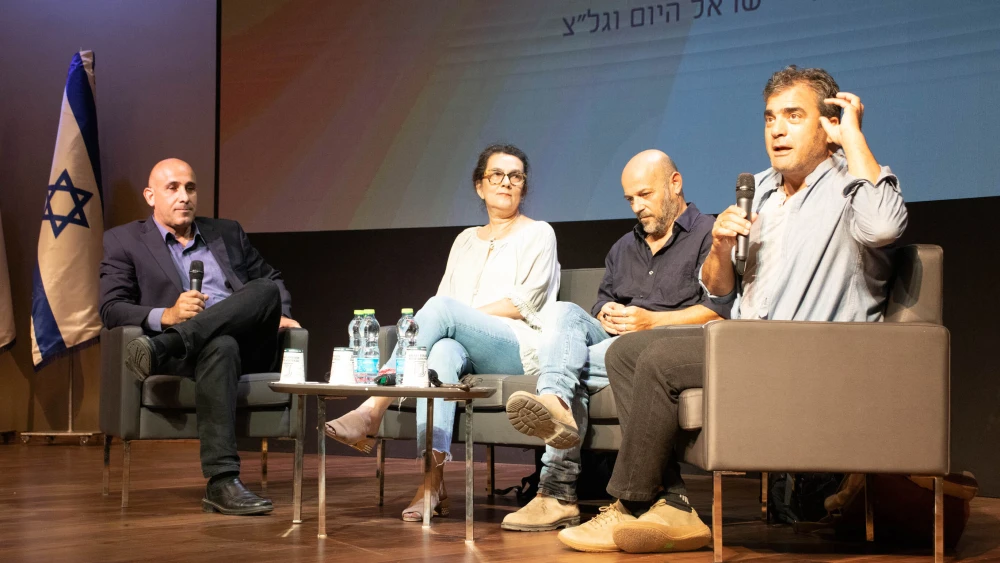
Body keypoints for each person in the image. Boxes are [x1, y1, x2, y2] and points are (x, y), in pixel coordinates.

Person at [560, 65, 908, 553]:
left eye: (793, 116)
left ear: (826, 123)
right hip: (750, 344)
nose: (777, 129)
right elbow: (720, 296)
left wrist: (851, 137)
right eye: (770, 118)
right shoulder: (760, 188)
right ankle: (674, 506)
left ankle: (631, 503)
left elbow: (884, 230)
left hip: (814, 350)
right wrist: (721, 248)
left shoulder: (852, 183)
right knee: (626, 352)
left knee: (658, 362)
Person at [325, 144, 560, 522]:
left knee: (440, 311)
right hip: (461, 345)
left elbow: (523, 305)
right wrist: (452, 321)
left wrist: (456, 316)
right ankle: (431, 484)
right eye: (496, 175)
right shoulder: (465, 240)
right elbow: (446, 312)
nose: (506, 182)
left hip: (516, 346)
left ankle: (373, 408)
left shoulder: (539, 234)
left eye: (515, 176)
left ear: (524, 187)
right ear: (480, 187)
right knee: (441, 354)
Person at [499, 150, 728, 533]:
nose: (637, 207)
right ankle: (555, 398)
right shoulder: (624, 247)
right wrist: (605, 311)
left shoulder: (709, 233)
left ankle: (555, 492)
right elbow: (603, 299)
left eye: (645, 195)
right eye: (630, 200)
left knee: (578, 363)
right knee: (564, 313)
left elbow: (718, 311)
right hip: (616, 338)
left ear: (675, 184)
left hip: (668, 343)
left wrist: (651, 321)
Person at [100, 158, 301, 516]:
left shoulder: (227, 231)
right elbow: (111, 308)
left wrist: (281, 312)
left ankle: (167, 343)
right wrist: (168, 316)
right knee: (220, 345)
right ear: (150, 196)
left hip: (245, 345)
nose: (184, 196)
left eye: (190, 188)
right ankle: (222, 481)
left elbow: (271, 281)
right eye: (172, 188)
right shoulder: (124, 240)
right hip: (192, 358)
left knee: (265, 289)